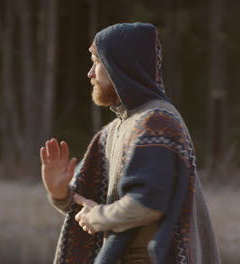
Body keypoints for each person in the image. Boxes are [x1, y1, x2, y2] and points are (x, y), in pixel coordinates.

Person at [40, 23, 221, 264]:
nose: (90, 73)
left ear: (120, 66)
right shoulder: (115, 131)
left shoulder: (156, 121)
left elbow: (146, 204)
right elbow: (90, 208)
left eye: (96, 61)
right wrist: (60, 192)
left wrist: (99, 217)